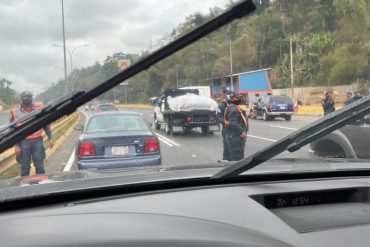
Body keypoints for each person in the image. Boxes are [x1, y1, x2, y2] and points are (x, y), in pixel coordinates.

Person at [10, 91, 54, 176]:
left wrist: (50, 137)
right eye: (24, 97)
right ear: (21, 99)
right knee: (25, 167)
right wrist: (16, 145)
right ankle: (24, 187)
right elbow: (12, 130)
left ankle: (41, 185)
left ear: (32, 98)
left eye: (28, 97)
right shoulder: (15, 112)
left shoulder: (39, 109)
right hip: (23, 141)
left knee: (40, 166)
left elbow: (45, 124)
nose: (27, 99)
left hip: (37, 141)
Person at [224, 92, 248, 161]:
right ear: (232, 99)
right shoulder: (234, 109)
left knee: (232, 157)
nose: (239, 99)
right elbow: (233, 122)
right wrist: (242, 131)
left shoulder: (231, 107)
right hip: (235, 136)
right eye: (237, 98)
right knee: (237, 158)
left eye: (240, 97)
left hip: (231, 135)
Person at [217, 87, 231, 160]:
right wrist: (224, 121)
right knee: (227, 148)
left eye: (229, 93)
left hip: (234, 130)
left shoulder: (233, 103)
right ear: (224, 94)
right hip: (226, 130)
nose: (228, 95)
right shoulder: (221, 105)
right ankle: (226, 161)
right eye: (227, 93)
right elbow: (218, 117)